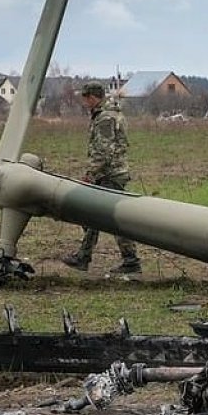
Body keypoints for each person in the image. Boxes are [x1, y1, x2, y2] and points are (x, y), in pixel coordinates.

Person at [61, 81, 142, 274]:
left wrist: (91, 174)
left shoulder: (105, 117)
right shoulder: (108, 114)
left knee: (99, 217)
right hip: (112, 172)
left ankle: (85, 257)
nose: (84, 102)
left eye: (86, 98)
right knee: (106, 218)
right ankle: (129, 260)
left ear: (93, 97)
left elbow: (104, 151)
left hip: (110, 174)